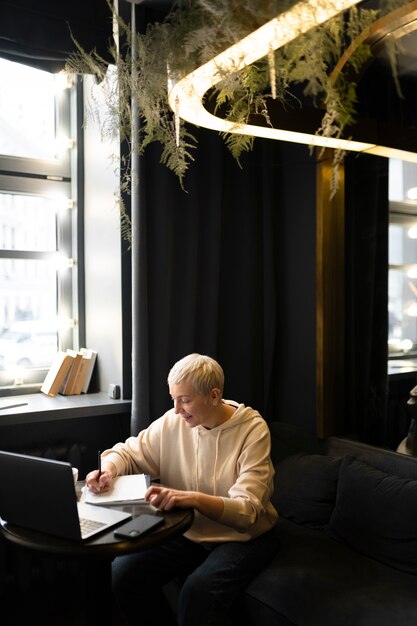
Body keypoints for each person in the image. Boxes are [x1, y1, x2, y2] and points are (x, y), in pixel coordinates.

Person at [85, 353, 279, 626]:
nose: (177, 409)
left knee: (198, 592)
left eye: (185, 400)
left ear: (214, 395)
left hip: (244, 536)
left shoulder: (252, 431)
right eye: (173, 399)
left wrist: (191, 499)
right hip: (190, 530)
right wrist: (108, 469)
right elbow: (128, 453)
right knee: (124, 574)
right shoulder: (174, 422)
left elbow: (247, 511)